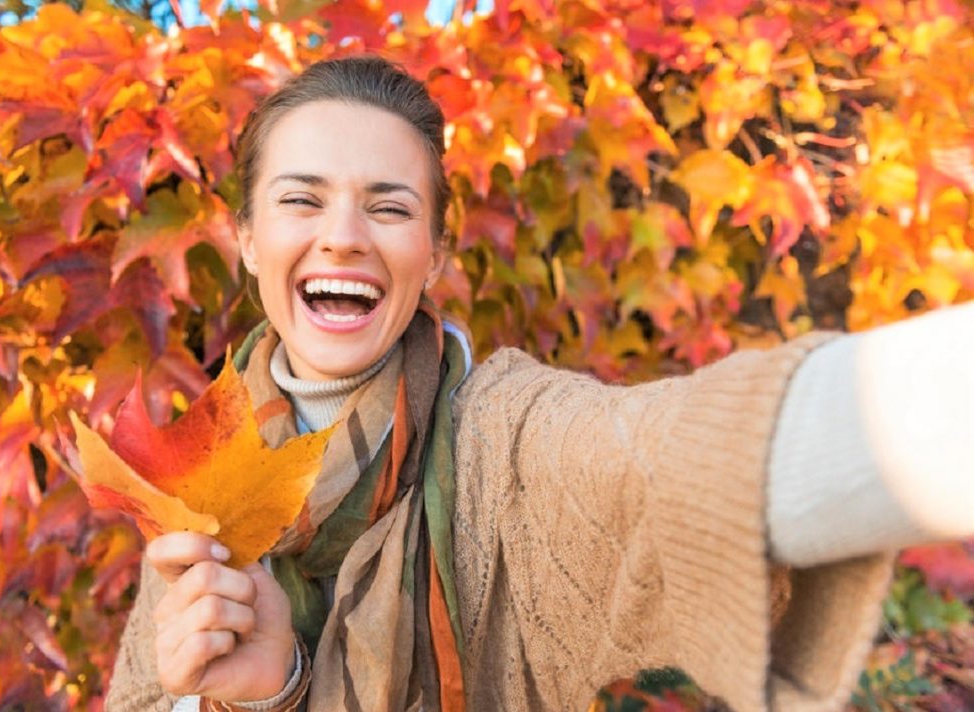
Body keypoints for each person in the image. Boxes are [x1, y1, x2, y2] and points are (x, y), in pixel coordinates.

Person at [104, 55, 974, 712]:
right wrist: (267, 690)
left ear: (435, 252)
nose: (343, 236)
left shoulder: (504, 439)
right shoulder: (200, 469)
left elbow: (663, 454)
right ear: (248, 239)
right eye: (301, 200)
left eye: (390, 205)